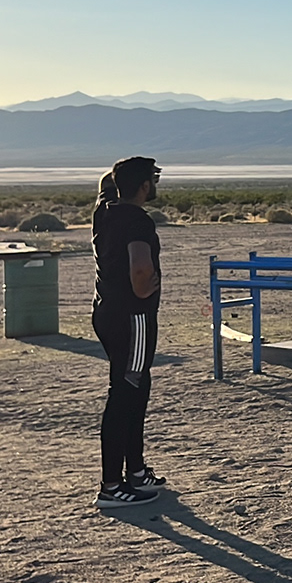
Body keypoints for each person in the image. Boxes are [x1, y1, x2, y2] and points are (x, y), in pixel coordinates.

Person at [92, 156, 167, 508]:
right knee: (125, 393)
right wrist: (146, 285)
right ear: (144, 186)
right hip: (133, 317)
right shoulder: (137, 221)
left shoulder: (105, 212)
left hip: (107, 311)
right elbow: (139, 271)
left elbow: (106, 188)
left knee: (136, 389)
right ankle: (112, 485)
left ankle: (134, 470)